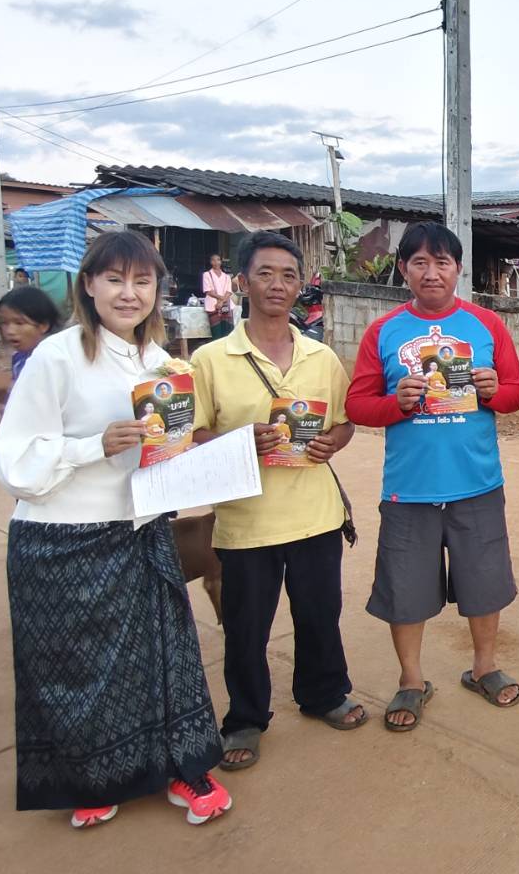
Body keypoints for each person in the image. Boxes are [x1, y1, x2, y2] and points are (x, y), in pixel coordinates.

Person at [0, 230, 231, 829]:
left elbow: (164, 449)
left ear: (157, 290)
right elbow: (15, 458)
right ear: (90, 286)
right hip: (63, 538)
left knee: (164, 658)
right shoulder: (59, 355)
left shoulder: (157, 361)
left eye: (143, 281)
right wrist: (90, 447)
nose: (130, 293)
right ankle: (92, 780)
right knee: (75, 668)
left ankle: (183, 768)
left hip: (141, 530)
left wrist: (199, 458)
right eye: (116, 280)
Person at [190, 232, 365, 771]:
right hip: (247, 521)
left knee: (320, 613)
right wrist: (243, 440)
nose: (278, 285)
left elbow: (343, 422)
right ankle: (245, 718)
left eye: (288, 275)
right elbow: (192, 436)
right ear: (242, 283)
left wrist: (332, 441)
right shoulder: (210, 359)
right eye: (265, 273)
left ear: (300, 286)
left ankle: (324, 694)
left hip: (314, 514)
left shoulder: (320, 356)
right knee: (246, 626)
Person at [345, 222, 519, 730]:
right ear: (403, 269)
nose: (431, 271)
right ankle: (411, 680)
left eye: (442, 262)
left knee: (485, 583)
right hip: (410, 488)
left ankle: (484, 666)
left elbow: (515, 394)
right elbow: (357, 404)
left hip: (477, 481)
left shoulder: (487, 324)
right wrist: (395, 404)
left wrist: (493, 390)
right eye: (419, 262)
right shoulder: (383, 332)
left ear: (458, 269)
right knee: (406, 590)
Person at [203, 253, 235, 340]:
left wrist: (221, 301)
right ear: (211, 262)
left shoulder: (226, 277)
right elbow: (208, 291)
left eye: (218, 260)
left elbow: (229, 291)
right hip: (213, 305)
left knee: (228, 330)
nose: (216, 262)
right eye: (213, 260)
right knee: (216, 330)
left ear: (221, 262)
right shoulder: (207, 274)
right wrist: (220, 299)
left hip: (226, 305)